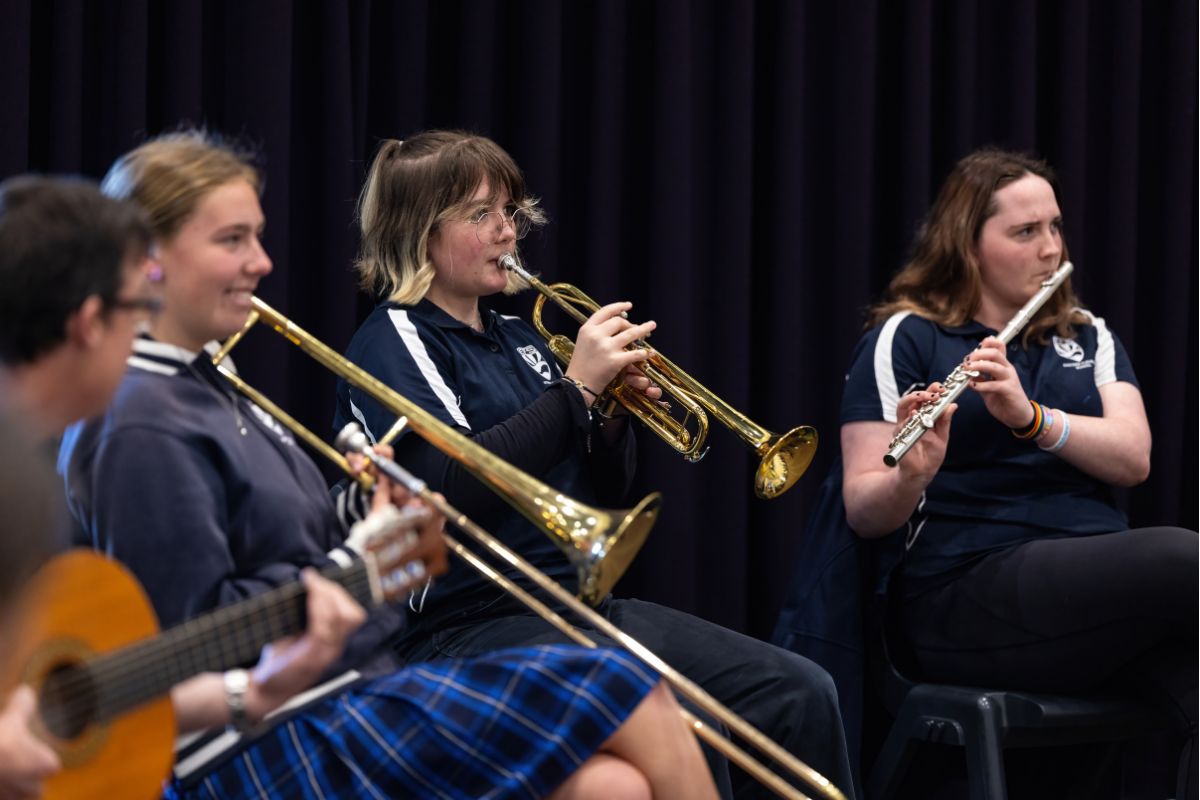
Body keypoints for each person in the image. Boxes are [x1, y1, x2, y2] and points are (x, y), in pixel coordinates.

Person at [60, 131, 718, 800]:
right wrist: (355, 579)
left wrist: (364, 512)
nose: (262, 262)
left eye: (257, 237)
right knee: (623, 685)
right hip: (262, 739)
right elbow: (198, 636)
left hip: (337, 688)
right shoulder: (142, 416)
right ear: (146, 258)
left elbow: (278, 549)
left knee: (610, 787)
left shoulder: (207, 383)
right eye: (232, 241)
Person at [333, 130, 855, 799]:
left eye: (511, 212)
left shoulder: (520, 335)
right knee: (688, 716)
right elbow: (451, 488)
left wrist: (610, 418)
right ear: (418, 233)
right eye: (481, 215)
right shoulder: (391, 340)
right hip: (465, 627)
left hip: (576, 604)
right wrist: (576, 391)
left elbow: (603, 490)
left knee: (801, 691)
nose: (507, 231)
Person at [786, 148, 1196, 797]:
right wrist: (912, 473)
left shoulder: (1089, 337)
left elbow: (1133, 456)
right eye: (1025, 231)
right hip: (963, 591)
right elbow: (866, 508)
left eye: (1055, 227)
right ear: (967, 244)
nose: (1049, 248)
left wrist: (1028, 416)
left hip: (1095, 592)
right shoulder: (908, 336)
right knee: (1185, 559)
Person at [0, 176, 367, 800]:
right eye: (138, 312)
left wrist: (251, 691)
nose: (145, 342)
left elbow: (110, 685)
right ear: (92, 323)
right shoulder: (27, 479)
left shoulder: (26, 470)